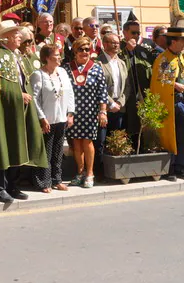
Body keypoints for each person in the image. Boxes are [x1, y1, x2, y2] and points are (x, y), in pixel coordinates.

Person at [0, 21, 48, 202]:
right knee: (3, 146)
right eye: (16, 34)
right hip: (4, 110)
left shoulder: (16, 55)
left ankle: (12, 185)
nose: (20, 36)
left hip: (19, 109)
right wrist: (19, 95)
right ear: (5, 37)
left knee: (16, 146)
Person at [150, 28, 184, 181]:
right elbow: (158, 82)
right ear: (174, 41)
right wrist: (174, 85)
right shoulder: (162, 59)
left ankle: (180, 167)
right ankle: (169, 169)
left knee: (182, 137)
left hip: (183, 103)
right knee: (169, 137)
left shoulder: (183, 59)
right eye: (183, 40)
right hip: (169, 103)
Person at [65, 36, 108, 188]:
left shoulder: (97, 67)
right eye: (81, 49)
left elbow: (102, 92)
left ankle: (90, 173)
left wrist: (103, 112)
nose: (84, 52)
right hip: (73, 112)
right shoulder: (67, 68)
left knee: (87, 142)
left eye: (87, 49)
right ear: (75, 52)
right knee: (76, 143)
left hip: (90, 111)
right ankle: (80, 172)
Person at [30, 44, 74, 192]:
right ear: (47, 58)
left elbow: (70, 93)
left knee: (58, 152)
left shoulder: (62, 72)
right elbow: (35, 99)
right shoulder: (39, 74)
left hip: (61, 118)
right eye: (56, 55)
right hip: (47, 120)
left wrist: (70, 113)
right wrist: (42, 118)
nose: (60, 57)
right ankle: (44, 181)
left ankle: (57, 179)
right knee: (46, 153)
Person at [97, 32, 131, 177]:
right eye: (112, 42)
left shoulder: (122, 63)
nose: (116, 45)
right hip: (104, 107)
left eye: (117, 42)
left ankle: (115, 172)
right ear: (105, 45)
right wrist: (110, 103)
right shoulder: (98, 63)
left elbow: (127, 86)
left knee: (116, 140)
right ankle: (100, 172)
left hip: (119, 107)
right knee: (101, 141)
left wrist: (120, 102)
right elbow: (99, 86)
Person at [119, 20, 155, 141]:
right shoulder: (119, 47)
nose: (136, 36)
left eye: (138, 33)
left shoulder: (143, 50)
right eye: (133, 32)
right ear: (125, 33)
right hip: (127, 95)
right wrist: (127, 51)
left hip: (143, 93)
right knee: (129, 124)